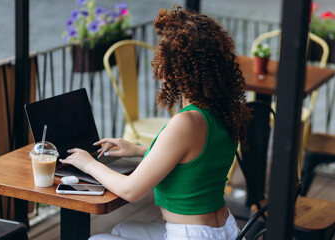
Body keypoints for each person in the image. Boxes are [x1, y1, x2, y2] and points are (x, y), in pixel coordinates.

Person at [61, 5, 251, 240]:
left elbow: (130, 190)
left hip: (193, 235)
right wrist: (141, 150)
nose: (158, 62)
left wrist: (87, 163)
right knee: (123, 229)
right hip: (226, 230)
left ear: (180, 66)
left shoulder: (187, 122)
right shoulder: (225, 110)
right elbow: (195, 158)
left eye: (163, 54)